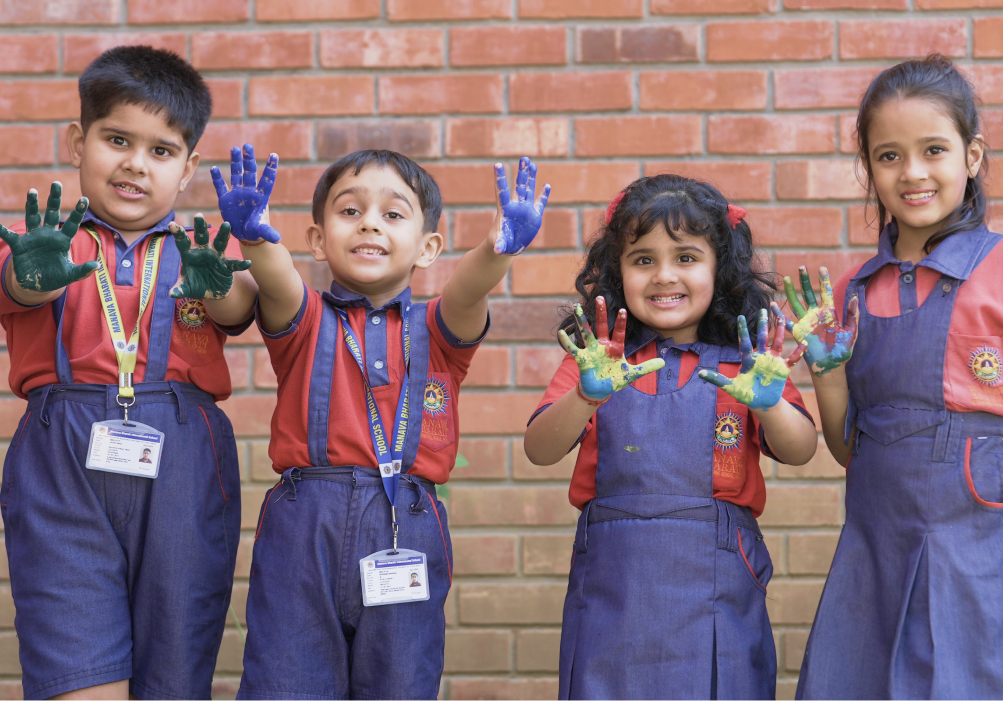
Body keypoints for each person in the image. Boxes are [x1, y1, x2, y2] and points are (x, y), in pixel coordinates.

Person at [780, 55, 1003, 700]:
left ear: (971, 156)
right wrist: (825, 371)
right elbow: (844, 446)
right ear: (868, 168)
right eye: (889, 156)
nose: (912, 173)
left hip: (982, 532)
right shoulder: (852, 295)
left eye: (933, 150)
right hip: (876, 531)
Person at [221, 147, 550, 700]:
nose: (370, 222)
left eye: (393, 214)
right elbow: (275, 281)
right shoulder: (302, 319)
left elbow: (469, 289)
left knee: (400, 683)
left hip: (408, 519)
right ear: (318, 240)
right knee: (286, 680)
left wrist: (498, 252)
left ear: (428, 248)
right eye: (350, 211)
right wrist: (255, 240)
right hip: (307, 525)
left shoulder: (440, 328)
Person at [0, 45, 256, 700]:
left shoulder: (201, 250)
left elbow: (242, 305)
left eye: (161, 150)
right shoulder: (47, 243)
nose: (136, 163)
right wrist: (31, 276)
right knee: (77, 671)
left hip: (185, 460)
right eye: (117, 138)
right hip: (63, 462)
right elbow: (16, 286)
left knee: (174, 674)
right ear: (77, 140)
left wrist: (219, 282)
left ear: (189, 166)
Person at [525, 174, 818, 700]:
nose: (664, 276)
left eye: (686, 258)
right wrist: (586, 396)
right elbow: (539, 449)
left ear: (720, 270)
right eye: (643, 260)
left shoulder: (750, 366)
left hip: (717, 582)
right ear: (617, 272)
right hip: (617, 585)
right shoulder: (599, 361)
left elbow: (799, 450)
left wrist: (770, 405)